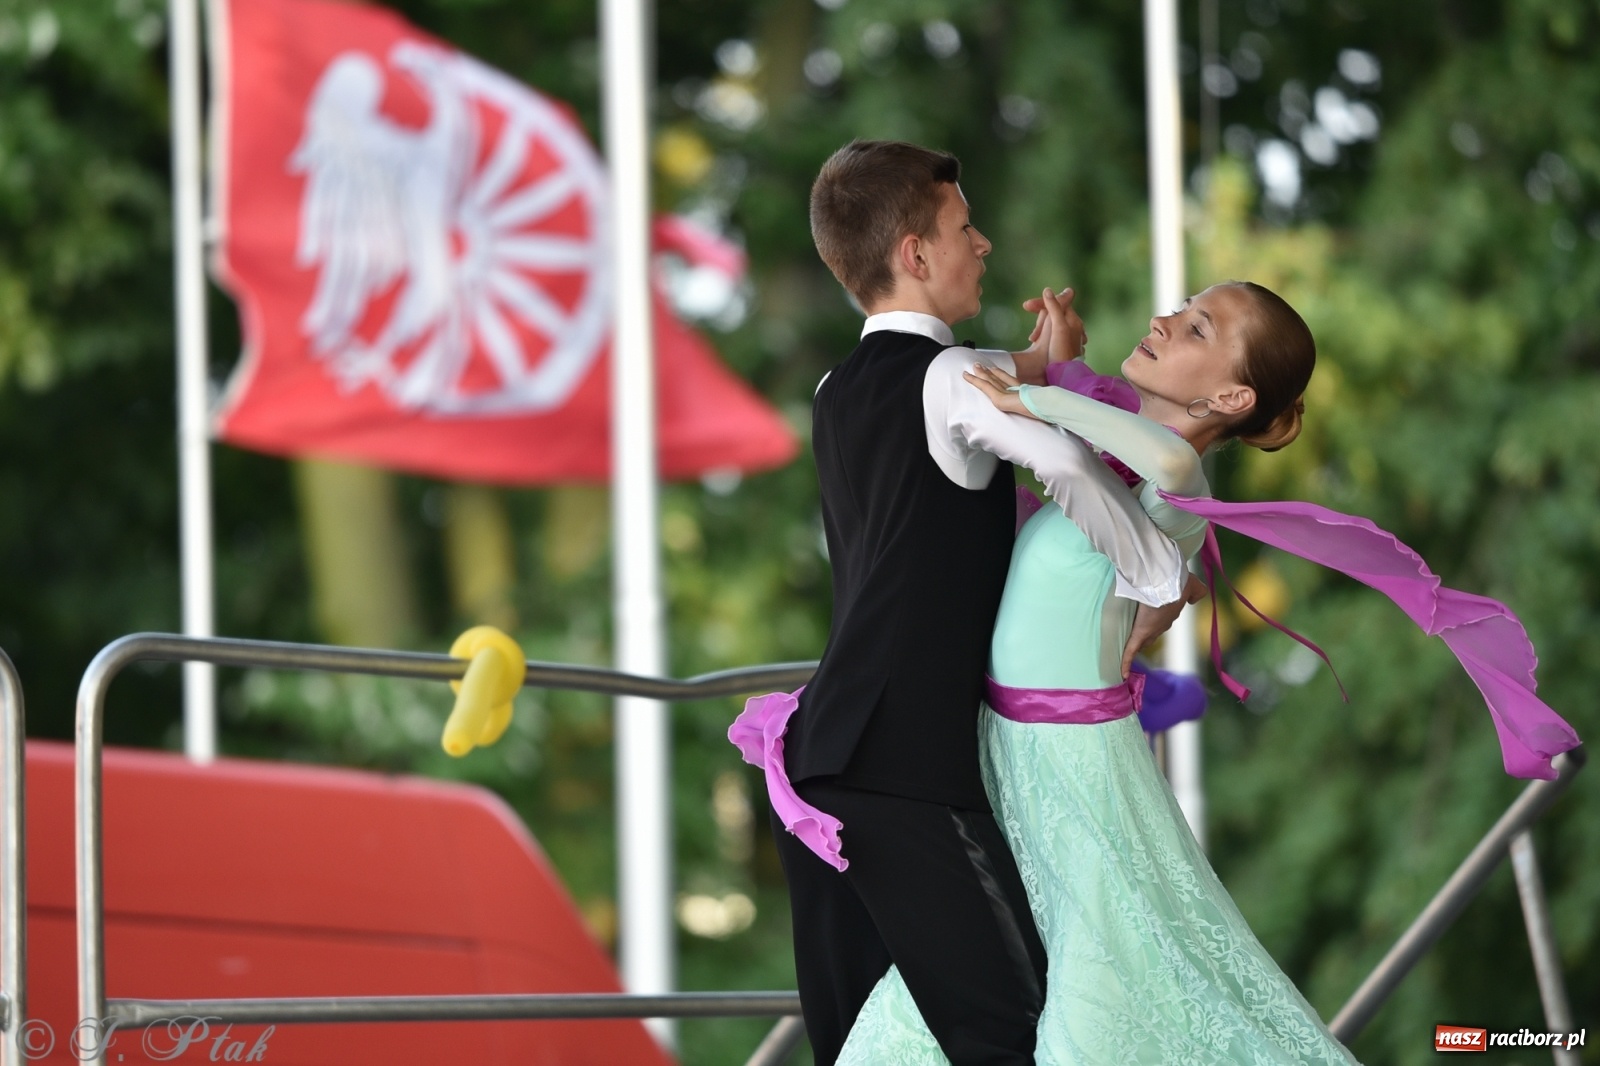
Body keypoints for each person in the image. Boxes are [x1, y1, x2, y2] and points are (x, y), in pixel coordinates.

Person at [822, 281, 1580, 1063]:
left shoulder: (1177, 487)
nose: (1161, 320)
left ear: (1231, 395)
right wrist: (1049, 365)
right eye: (1179, 312)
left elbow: (1171, 455)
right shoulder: (1103, 466)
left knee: (1096, 1002)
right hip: (1004, 756)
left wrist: (1035, 400)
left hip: (1073, 770)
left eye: (1195, 327)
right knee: (958, 983)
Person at [734, 140, 1197, 1066]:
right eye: (963, 228)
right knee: (1014, 1032)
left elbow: (983, 381)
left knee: (871, 1051)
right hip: (903, 771)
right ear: (915, 253)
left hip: (818, 770)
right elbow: (1058, 458)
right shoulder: (949, 381)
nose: (982, 245)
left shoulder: (839, 388)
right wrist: (1156, 576)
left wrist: (1042, 359)